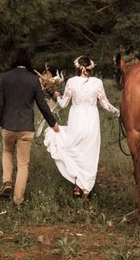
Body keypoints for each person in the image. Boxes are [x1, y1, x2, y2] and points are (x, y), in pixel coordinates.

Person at [43, 55, 120, 198]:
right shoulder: (97, 82)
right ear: (90, 67)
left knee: (75, 149)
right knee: (89, 152)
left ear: (77, 67)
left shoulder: (71, 82)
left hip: (76, 119)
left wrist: (56, 96)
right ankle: (84, 187)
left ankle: (78, 185)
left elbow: (63, 104)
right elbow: (105, 104)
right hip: (91, 120)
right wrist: (118, 112)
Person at [0, 47, 60, 205]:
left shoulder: (4, 77)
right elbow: (42, 105)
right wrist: (53, 124)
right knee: (23, 164)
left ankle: (7, 182)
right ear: (28, 61)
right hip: (26, 127)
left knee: (7, 151)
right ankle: (18, 199)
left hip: (8, 125)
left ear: (13, 59)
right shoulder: (33, 79)